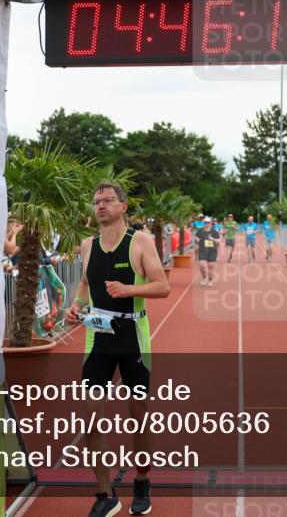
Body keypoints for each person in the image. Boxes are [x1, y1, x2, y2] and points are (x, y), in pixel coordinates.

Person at [65, 182, 169, 517]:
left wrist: (127, 289)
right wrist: (76, 305)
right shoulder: (87, 245)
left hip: (133, 336)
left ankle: (141, 480)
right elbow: (84, 283)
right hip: (98, 337)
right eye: (96, 201)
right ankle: (105, 493)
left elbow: (162, 286)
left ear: (123, 207)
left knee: (138, 417)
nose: (101, 206)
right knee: (92, 419)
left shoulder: (139, 242)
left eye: (108, 200)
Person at [195, 217, 221, 286]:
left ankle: (210, 280)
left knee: (210, 266)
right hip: (202, 250)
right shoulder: (200, 231)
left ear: (211, 223)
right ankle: (204, 278)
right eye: (205, 222)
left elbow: (219, 241)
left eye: (208, 222)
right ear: (204, 223)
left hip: (212, 251)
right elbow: (196, 238)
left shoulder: (214, 231)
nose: (207, 224)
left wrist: (212, 239)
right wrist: (197, 240)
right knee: (201, 265)